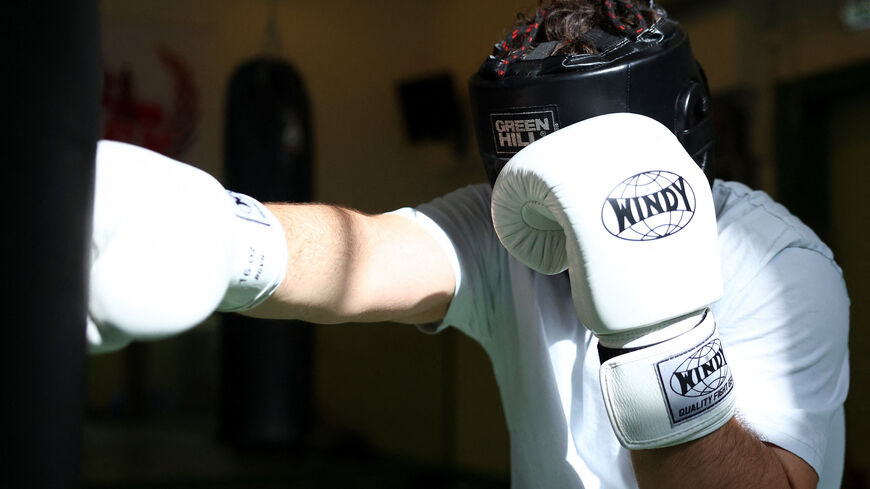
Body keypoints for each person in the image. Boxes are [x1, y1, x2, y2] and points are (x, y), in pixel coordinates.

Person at [87, 1, 850, 488]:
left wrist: (658, 338)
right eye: (531, 179)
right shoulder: (518, 231)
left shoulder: (783, 269)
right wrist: (221, 237)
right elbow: (367, 256)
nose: (552, 210)